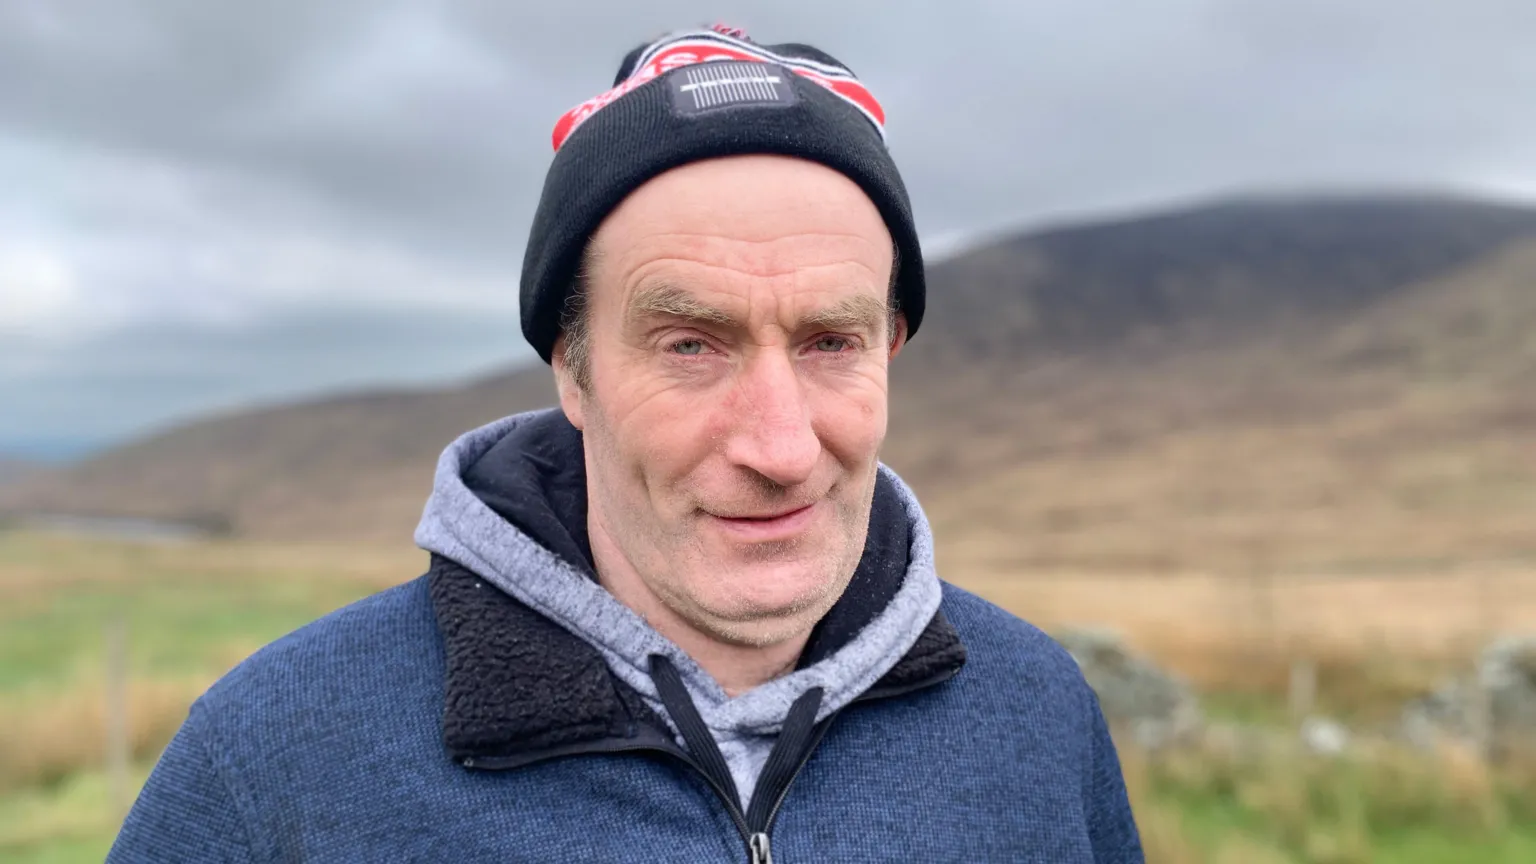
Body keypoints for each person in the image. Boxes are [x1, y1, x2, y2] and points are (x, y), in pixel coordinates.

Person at [108, 25, 1143, 863]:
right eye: (691, 344)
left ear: (891, 349)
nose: (781, 447)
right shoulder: (280, 753)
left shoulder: (1037, 712)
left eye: (832, 342)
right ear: (573, 368)